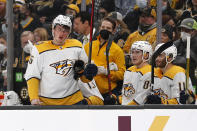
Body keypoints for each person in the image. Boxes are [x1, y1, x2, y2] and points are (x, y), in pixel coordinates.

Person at [24, 15, 99, 105]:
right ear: (53, 29)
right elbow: (32, 75)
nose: (62, 33)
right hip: (47, 103)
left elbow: (84, 79)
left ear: (69, 32)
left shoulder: (77, 45)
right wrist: (33, 98)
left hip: (73, 101)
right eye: (59, 29)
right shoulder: (39, 49)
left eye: (65, 30)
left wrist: (88, 74)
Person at [84, 17, 126, 104]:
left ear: (113, 31)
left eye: (108, 28)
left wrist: (106, 71)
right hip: (89, 92)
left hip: (108, 93)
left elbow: (122, 74)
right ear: (99, 28)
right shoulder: (88, 46)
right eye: (103, 27)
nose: (105, 30)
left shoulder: (117, 50)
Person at [121, 41, 161, 105]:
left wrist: (125, 108)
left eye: (137, 52)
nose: (133, 55)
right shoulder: (129, 70)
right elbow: (125, 95)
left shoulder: (150, 71)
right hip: (125, 108)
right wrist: (117, 98)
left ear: (146, 55)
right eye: (132, 52)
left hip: (139, 111)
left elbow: (141, 98)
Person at [173, 18, 197, 94]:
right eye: (182, 30)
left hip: (193, 82)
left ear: (194, 31)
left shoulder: (196, 44)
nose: (183, 33)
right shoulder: (177, 43)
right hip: (177, 80)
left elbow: (185, 61)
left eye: (187, 30)